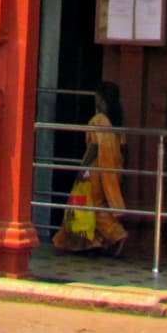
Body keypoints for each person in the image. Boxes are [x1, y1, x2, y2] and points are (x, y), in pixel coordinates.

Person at [54, 81, 129, 255]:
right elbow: (124, 149)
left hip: (96, 170)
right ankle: (94, 242)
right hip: (114, 170)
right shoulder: (117, 123)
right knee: (97, 205)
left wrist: (82, 168)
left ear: (102, 100)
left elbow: (94, 147)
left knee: (92, 206)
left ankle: (118, 235)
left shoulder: (98, 120)